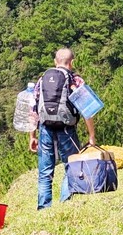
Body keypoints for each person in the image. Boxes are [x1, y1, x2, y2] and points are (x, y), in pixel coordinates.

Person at [29, 48, 96, 210]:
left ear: (55, 62)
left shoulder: (42, 79)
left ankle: (44, 208)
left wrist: (32, 135)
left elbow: (33, 109)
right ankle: (65, 204)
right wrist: (92, 135)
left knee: (45, 171)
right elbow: (87, 109)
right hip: (67, 129)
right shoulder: (75, 80)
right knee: (71, 166)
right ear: (72, 62)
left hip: (45, 129)